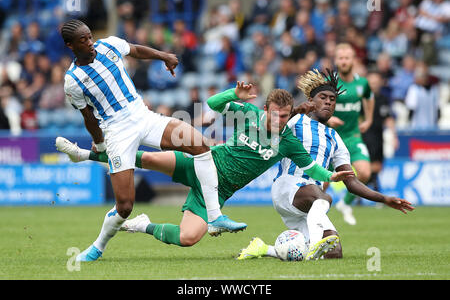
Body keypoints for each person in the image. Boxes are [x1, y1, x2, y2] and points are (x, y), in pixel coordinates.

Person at [56, 81, 354, 256]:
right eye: (276, 115)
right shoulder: (248, 113)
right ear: (265, 110)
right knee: (144, 159)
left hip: (219, 191)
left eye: (286, 116)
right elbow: (213, 103)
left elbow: (312, 168)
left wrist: (332, 176)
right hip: (205, 164)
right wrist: (232, 94)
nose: (280, 121)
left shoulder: (288, 141)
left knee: (188, 239)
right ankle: (83, 154)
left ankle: (142, 224)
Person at [57, 19, 245, 262]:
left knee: (199, 145)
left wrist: (164, 55)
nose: (90, 43)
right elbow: (88, 117)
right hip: (116, 131)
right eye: (83, 40)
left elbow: (135, 49)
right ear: (70, 45)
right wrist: (101, 144)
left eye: (90, 36)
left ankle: (215, 216)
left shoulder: (109, 45)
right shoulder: (73, 79)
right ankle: (98, 247)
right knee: (125, 206)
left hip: (143, 117)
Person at [236, 69, 414, 261]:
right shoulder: (295, 120)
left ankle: (264, 248)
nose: (329, 101)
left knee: (334, 252)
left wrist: (384, 199)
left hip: (312, 204)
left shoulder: (336, 139)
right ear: (311, 101)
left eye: (332, 99)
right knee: (325, 198)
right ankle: (313, 243)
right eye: (323, 97)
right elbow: (271, 123)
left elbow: (351, 183)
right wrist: (298, 110)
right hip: (289, 187)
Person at [327, 43, 374, 225]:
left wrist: (368, 119)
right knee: (322, 183)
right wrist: (327, 119)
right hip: (331, 138)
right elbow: (316, 106)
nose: (344, 61)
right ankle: (317, 217)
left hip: (353, 137)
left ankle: (345, 204)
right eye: (340, 58)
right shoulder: (330, 83)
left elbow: (369, 98)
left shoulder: (362, 83)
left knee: (364, 172)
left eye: (347, 58)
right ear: (336, 60)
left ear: (353, 60)